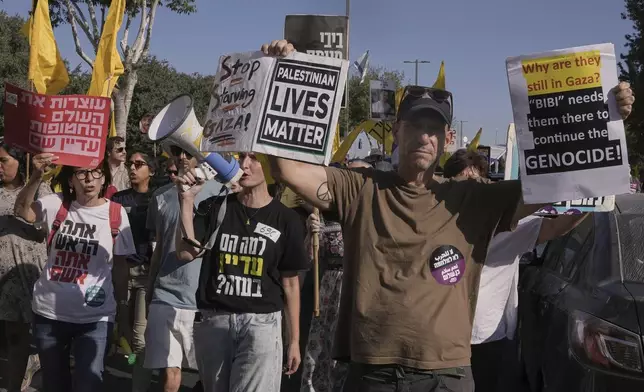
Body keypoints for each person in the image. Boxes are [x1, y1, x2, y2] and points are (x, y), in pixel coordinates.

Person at [262, 39, 634, 392]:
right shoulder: (360, 188)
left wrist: (607, 115)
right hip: (373, 373)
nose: (425, 137)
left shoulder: (473, 199)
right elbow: (286, 170)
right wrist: (281, 76)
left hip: (447, 376)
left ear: (447, 139)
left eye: (434, 128)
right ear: (396, 131)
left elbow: (558, 180)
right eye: (416, 126)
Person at [441, 151, 588, 392]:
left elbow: (556, 226)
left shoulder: (512, 228)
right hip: (441, 336)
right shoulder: (433, 225)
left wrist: (592, 200)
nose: (469, 191)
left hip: (486, 337)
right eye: (461, 183)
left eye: (476, 183)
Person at [176, 152, 308, 392]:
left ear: (270, 165)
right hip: (215, 323)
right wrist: (186, 201)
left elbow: (290, 284)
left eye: (254, 158)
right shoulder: (215, 207)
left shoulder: (287, 220)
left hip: (261, 326)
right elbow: (186, 253)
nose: (245, 165)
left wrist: (294, 341)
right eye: (242, 158)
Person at [14, 153, 135, 392]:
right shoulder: (55, 204)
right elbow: (22, 211)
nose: (89, 179)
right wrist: (37, 175)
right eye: (81, 173)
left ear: (104, 180)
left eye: (95, 173)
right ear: (71, 180)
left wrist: (123, 314)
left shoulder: (117, 214)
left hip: (95, 319)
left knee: (89, 383)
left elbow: (121, 269)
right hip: (49, 316)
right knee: (55, 384)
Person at [143, 145, 222, 392]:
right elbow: (159, 247)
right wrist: (150, 286)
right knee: (170, 374)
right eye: (178, 151)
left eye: (188, 151)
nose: (182, 157)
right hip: (164, 296)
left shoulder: (222, 193)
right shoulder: (160, 196)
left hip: (203, 300)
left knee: (208, 378)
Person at [300, 159, 371, 392]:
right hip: (330, 286)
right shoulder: (326, 215)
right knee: (320, 349)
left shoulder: (374, 214)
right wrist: (312, 235)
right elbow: (309, 260)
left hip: (360, 288)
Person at [0, 142, 51, 391]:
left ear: (21, 161)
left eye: (3, 160)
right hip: (4, 279)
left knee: (29, 337)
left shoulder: (41, 191)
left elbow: (48, 228)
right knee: (13, 338)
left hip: (29, 275)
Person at [111, 151, 158, 392]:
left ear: (151, 170)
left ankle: (139, 386)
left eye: (139, 164)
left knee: (140, 337)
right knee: (119, 329)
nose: (132, 168)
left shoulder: (157, 199)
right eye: (130, 164)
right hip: (117, 273)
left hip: (144, 275)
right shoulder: (117, 199)